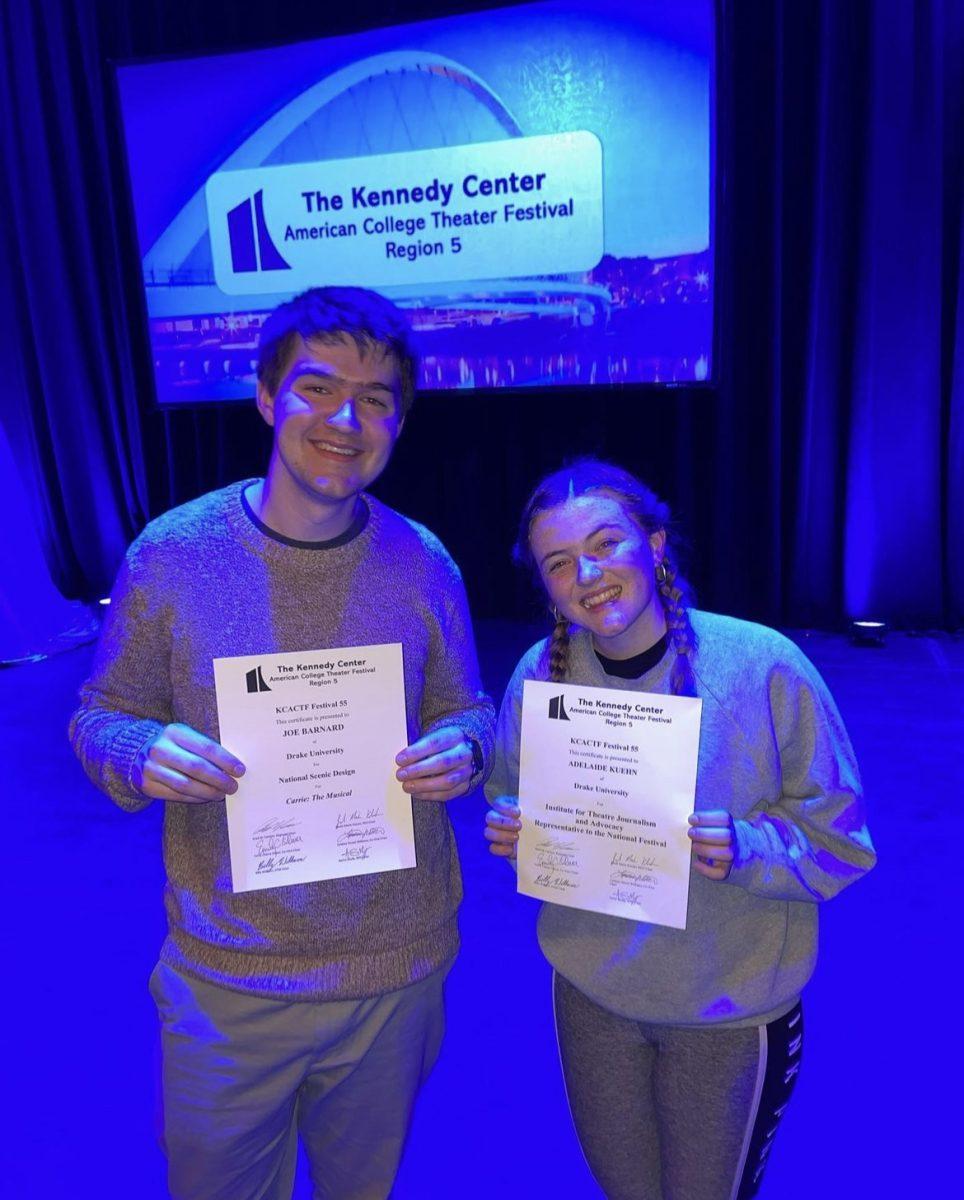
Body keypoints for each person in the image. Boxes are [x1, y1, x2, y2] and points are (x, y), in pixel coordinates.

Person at [70, 286, 494, 1200]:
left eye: (377, 398)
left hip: (397, 970)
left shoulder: (424, 562)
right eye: (317, 387)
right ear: (267, 398)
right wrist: (139, 753)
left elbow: (471, 708)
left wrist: (465, 749)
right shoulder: (172, 556)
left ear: (398, 421)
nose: (347, 419)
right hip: (232, 979)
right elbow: (99, 715)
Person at [484, 459, 875, 1200]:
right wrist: (514, 829)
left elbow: (843, 842)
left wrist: (749, 847)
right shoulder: (540, 674)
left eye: (606, 544)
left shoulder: (762, 667)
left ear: (655, 544)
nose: (588, 574)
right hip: (593, 999)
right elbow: (512, 794)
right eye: (560, 562)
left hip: (726, 1013)